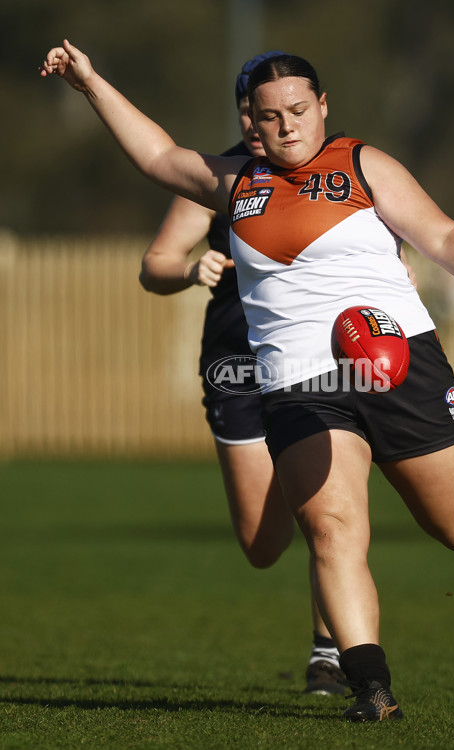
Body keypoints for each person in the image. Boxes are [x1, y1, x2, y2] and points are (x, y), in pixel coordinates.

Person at [40, 42, 454, 722]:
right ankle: (369, 687)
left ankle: (442, 458)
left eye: (299, 109)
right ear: (250, 122)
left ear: (323, 107)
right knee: (334, 528)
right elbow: (155, 155)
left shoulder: (361, 163)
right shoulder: (232, 181)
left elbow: (440, 235)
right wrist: (90, 84)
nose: (287, 125)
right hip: (298, 379)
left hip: (396, 362)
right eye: (270, 116)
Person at [138, 50, 347, 696]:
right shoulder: (219, 176)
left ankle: (332, 652)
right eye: (256, 111)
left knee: (330, 518)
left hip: (319, 362)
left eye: (287, 109)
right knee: (263, 543)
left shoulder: (345, 171)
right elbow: (156, 264)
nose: (269, 123)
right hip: (237, 363)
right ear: (245, 114)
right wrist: (188, 270)